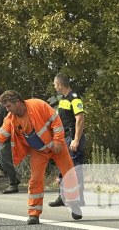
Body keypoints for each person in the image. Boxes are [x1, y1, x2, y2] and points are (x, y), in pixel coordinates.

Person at [0, 90, 82, 225]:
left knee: (69, 175)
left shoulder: (38, 105)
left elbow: (56, 121)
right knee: (35, 180)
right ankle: (34, 214)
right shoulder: (10, 119)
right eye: (6, 107)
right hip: (39, 151)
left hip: (57, 146)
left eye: (9, 106)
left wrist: (58, 141)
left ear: (18, 102)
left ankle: (74, 204)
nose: (7, 110)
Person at [49, 73, 86, 207]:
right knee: (63, 166)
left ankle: (79, 198)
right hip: (64, 138)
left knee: (75, 168)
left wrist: (76, 140)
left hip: (72, 137)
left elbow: (80, 119)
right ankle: (62, 196)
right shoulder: (63, 99)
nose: (54, 87)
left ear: (59, 84)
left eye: (54, 84)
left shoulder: (75, 99)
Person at [0, 85, 20, 193]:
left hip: (5, 138)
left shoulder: (4, 107)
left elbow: (7, 123)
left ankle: (13, 184)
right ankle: (15, 178)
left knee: (5, 161)